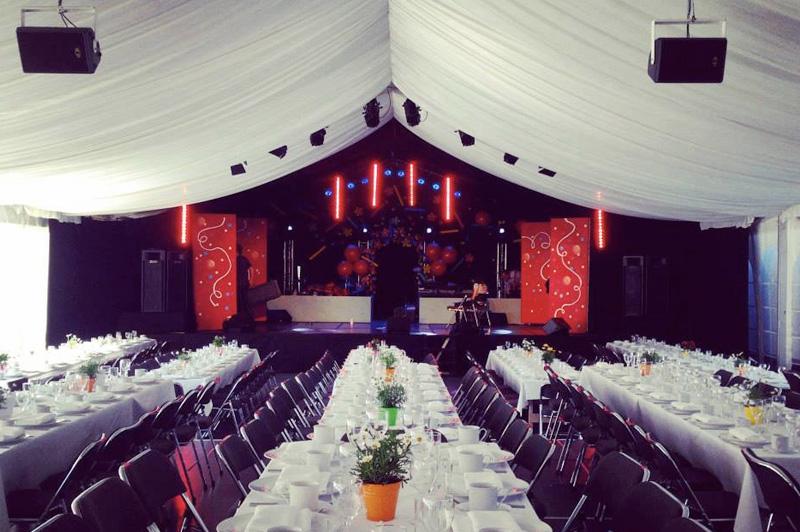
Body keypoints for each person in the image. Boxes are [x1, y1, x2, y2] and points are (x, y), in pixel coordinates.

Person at [236, 244, 252, 318]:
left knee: (242, 302)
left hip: (241, 283)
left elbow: (251, 269)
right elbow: (251, 269)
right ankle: (246, 317)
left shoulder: (240, 259)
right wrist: (251, 280)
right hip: (243, 283)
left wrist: (250, 280)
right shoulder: (244, 259)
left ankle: (244, 317)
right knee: (244, 301)